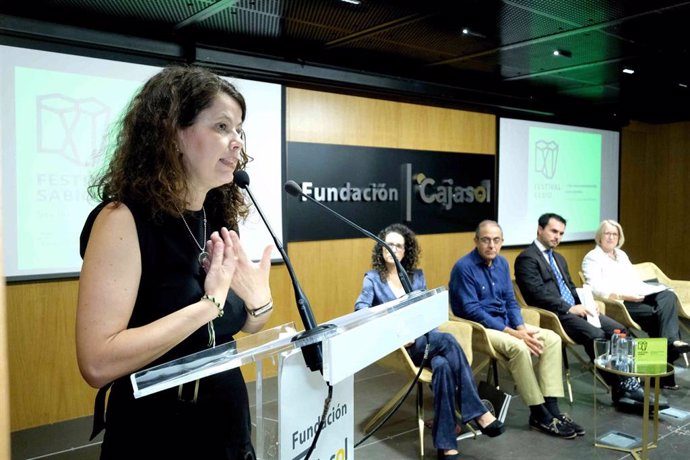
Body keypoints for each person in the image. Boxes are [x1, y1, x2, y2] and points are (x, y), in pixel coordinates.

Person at [77, 65, 274, 459]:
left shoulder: (216, 217)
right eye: (221, 126)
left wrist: (258, 304)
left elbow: (243, 325)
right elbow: (97, 362)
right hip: (159, 434)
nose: (237, 143)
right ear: (174, 134)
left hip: (228, 424)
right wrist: (207, 306)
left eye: (238, 130)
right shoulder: (122, 220)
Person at [355, 223, 504, 460]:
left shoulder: (416, 276)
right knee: (446, 340)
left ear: (405, 251)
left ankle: (446, 446)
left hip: (425, 340)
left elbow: (426, 313)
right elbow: (361, 309)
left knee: (443, 366)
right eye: (388, 244)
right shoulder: (373, 279)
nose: (392, 248)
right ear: (381, 248)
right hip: (402, 347)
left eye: (398, 245)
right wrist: (391, 327)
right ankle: (475, 410)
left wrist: (422, 326)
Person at [514, 213, 667, 410]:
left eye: (561, 233)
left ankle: (625, 389)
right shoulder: (527, 258)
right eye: (553, 231)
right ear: (539, 229)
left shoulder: (559, 258)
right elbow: (536, 294)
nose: (557, 237)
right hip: (555, 315)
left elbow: (570, 288)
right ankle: (623, 386)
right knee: (597, 336)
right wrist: (569, 307)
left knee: (619, 331)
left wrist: (588, 302)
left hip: (577, 309)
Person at [450, 220, 583, 440]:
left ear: (502, 242)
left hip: (507, 324)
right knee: (519, 348)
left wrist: (521, 327)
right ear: (476, 241)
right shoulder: (464, 268)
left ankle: (553, 408)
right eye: (485, 240)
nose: (491, 245)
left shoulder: (502, 263)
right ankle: (538, 412)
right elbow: (471, 311)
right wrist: (515, 334)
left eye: (496, 240)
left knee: (551, 338)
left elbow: (511, 301)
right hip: (479, 329)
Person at [582, 219, 690, 389]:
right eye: (607, 233)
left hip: (637, 296)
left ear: (619, 237)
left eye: (614, 234)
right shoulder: (592, 257)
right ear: (599, 237)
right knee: (660, 317)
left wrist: (646, 290)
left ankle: (669, 347)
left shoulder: (621, 255)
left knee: (667, 296)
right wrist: (624, 295)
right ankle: (669, 352)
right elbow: (595, 288)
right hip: (619, 304)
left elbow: (634, 280)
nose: (611, 237)